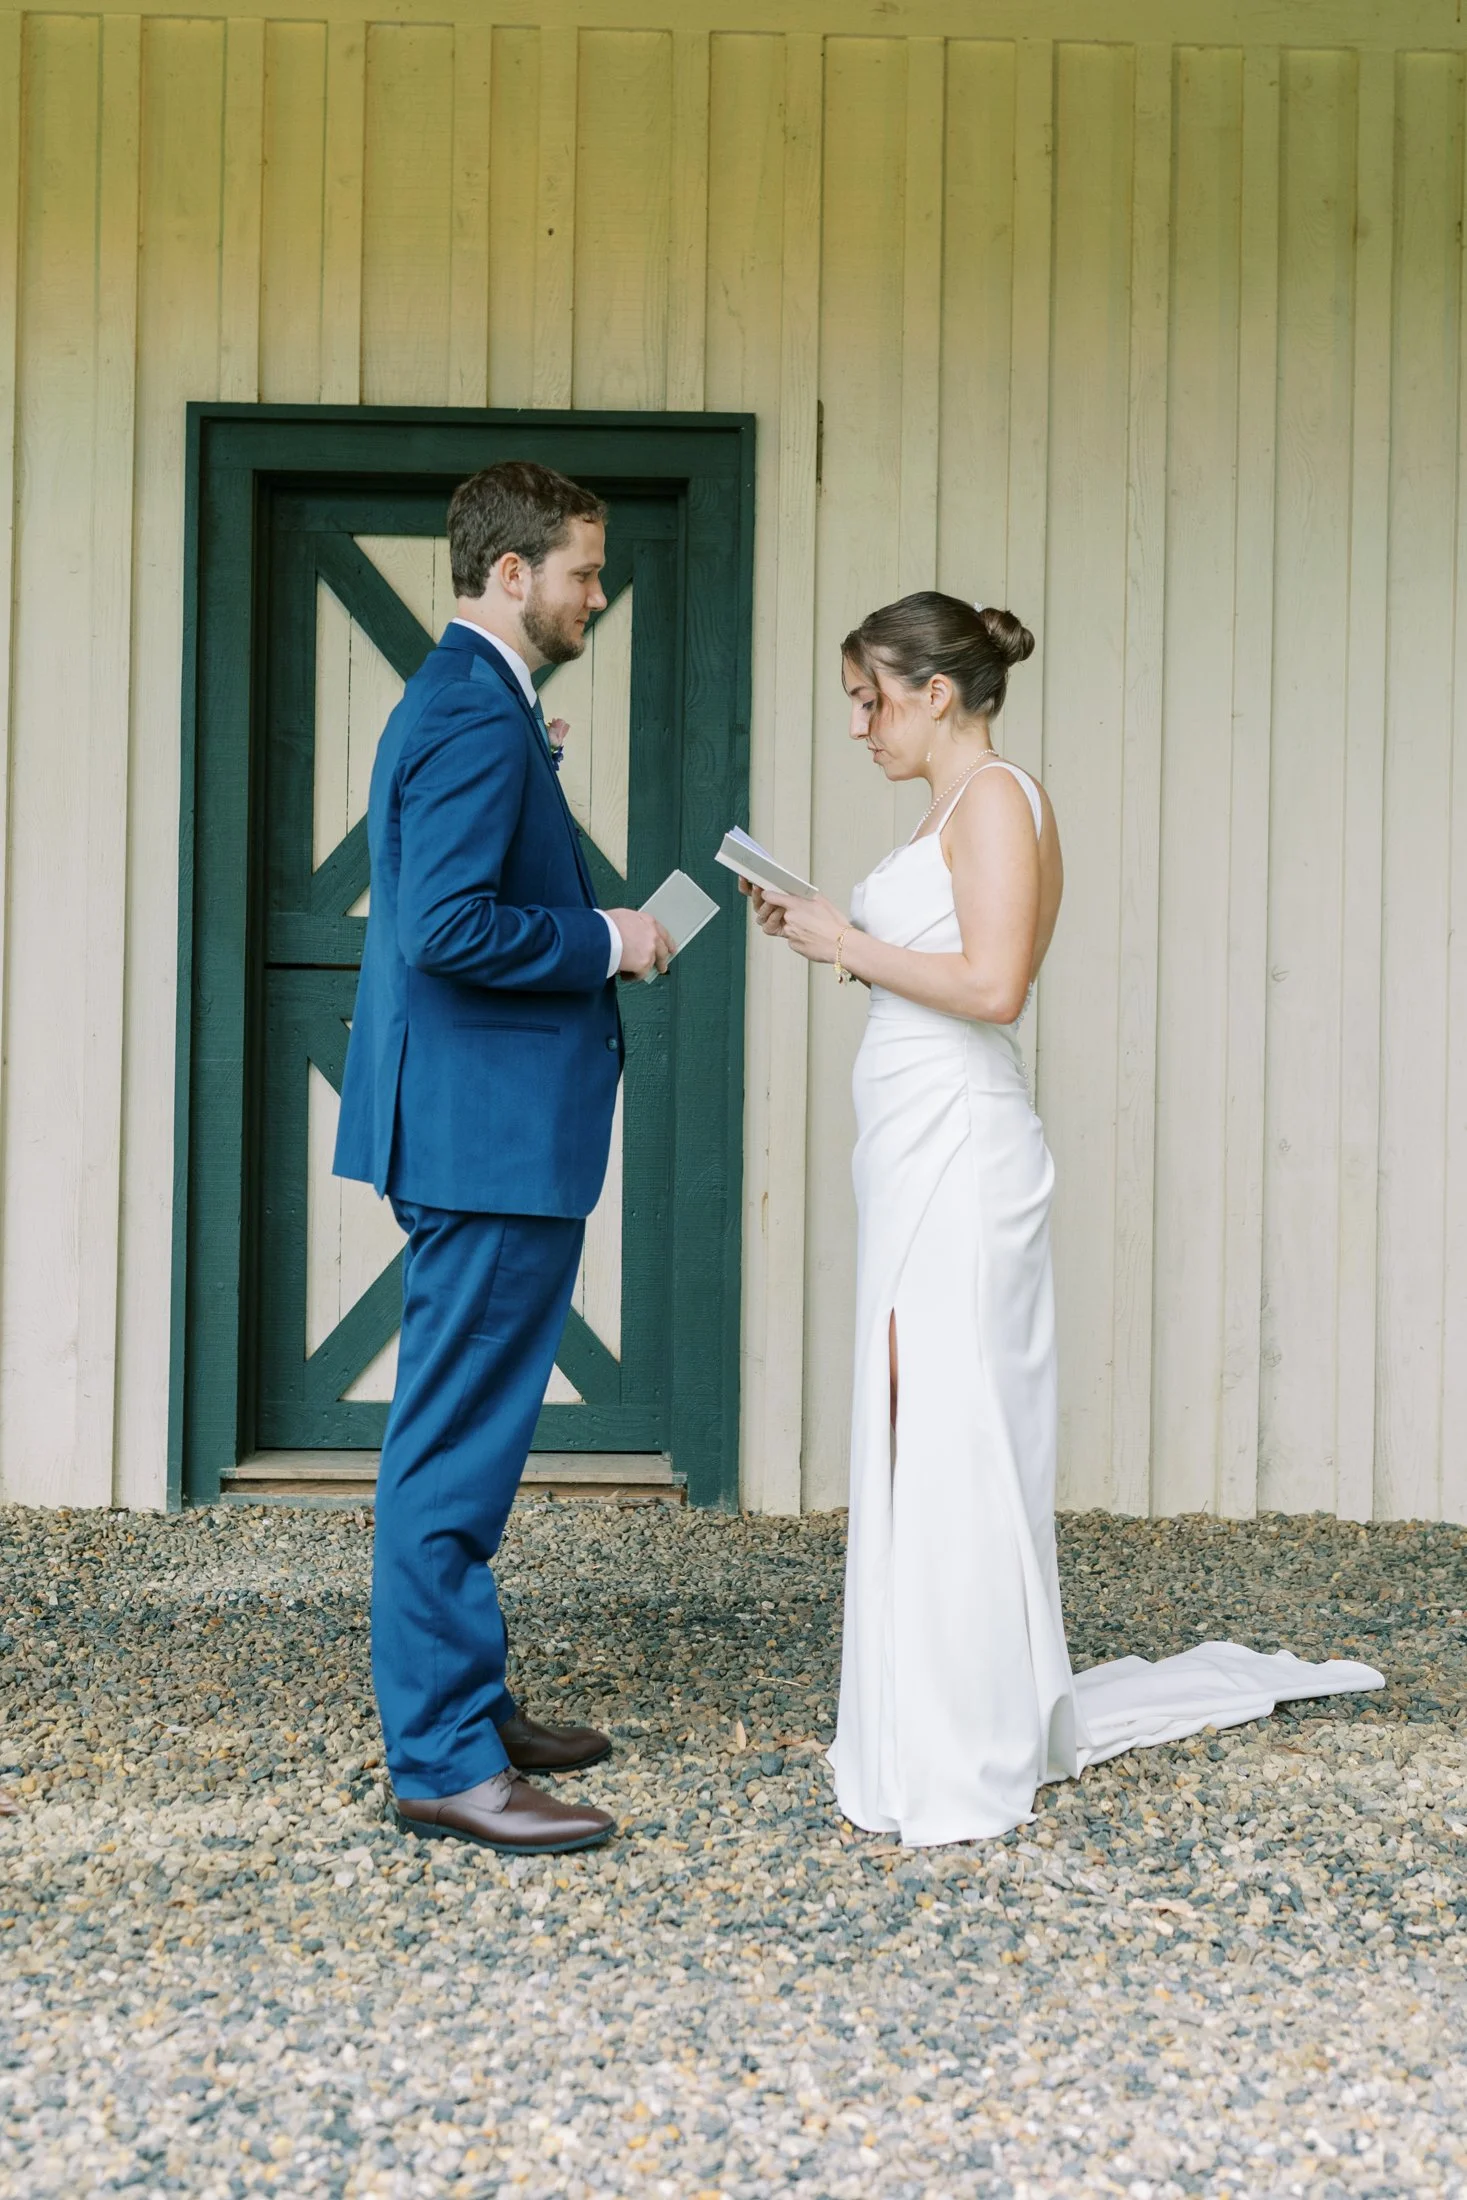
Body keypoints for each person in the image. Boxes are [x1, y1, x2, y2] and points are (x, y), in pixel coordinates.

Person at [747, 592, 1383, 1847]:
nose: (862, 724)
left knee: (948, 1413)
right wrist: (829, 934)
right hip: (914, 1141)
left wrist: (844, 940)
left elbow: (995, 984)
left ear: (940, 691)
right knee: (909, 1411)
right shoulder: (951, 808)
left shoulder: (995, 800)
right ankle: (917, 1702)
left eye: (873, 697)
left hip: (962, 1146)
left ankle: (960, 1729)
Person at [335, 460, 672, 1857]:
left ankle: (466, 1705)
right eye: (585, 572)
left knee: (467, 1434)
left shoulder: (477, 702)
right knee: (453, 1449)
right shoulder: (473, 711)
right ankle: (442, 1763)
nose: (599, 593)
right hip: (483, 1142)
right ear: (513, 573)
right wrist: (611, 936)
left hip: (481, 1131)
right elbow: (448, 930)